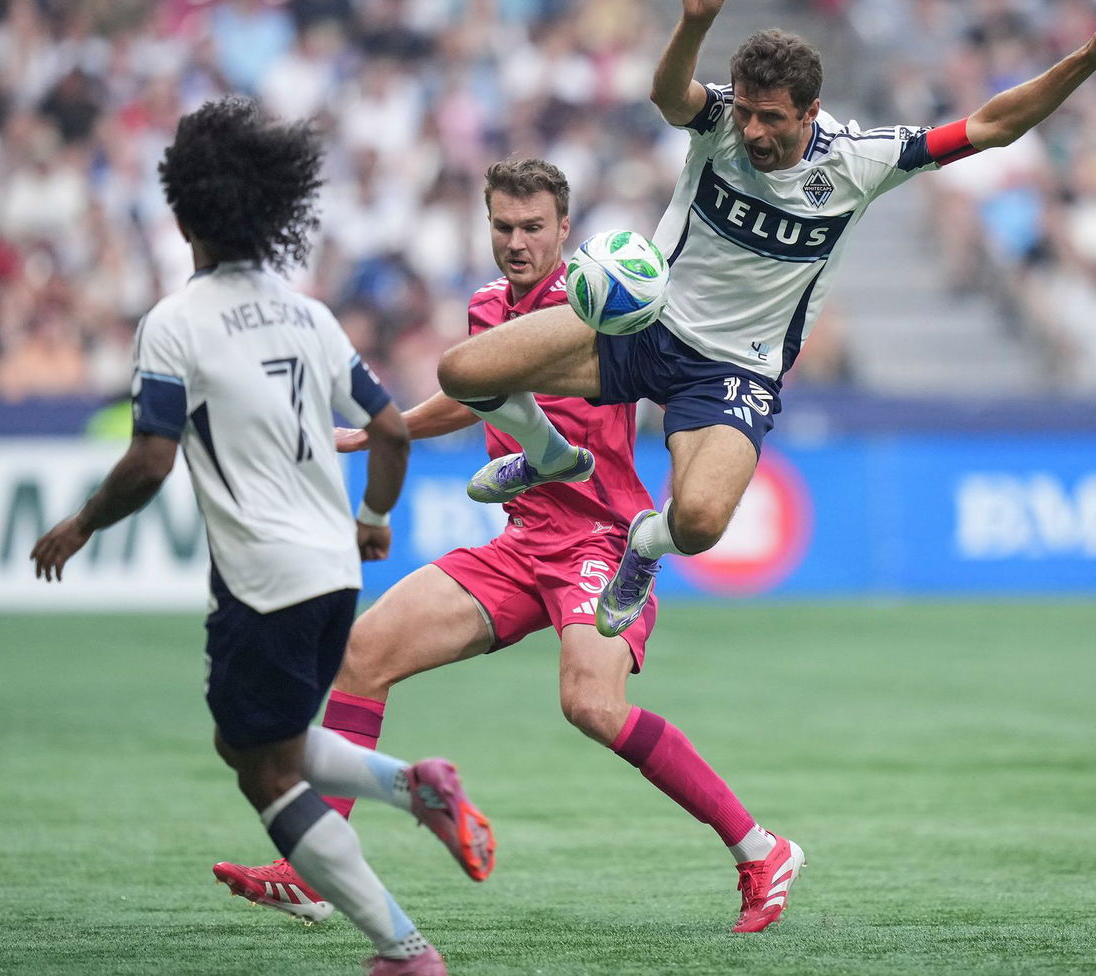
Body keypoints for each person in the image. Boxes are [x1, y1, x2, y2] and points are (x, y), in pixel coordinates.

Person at [432, 0, 1096, 638]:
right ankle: (551, 454)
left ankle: (645, 546)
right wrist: (695, 20)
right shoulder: (717, 123)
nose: (750, 129)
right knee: (465, 371)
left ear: (810, 112)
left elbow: (994, 126)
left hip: (732, 371)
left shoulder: (861, 162)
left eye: (769, 117)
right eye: (745, 110)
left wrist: (1087, 59)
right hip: (646, 326)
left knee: (701, 522)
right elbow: (665, 93)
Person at [212, 157, 804, 934]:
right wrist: (379, 430)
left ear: (566, 229)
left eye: (533, 227)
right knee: (364, 653)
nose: (517, 242)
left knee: (591, 704)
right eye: (503, 226)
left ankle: (762, 850)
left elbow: (682, 364)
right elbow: (469, 394)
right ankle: (315, 870)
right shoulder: (489, 305)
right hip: (524, 540)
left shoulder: (605, 302)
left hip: (599, 537)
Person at [29, 97, 489, 976]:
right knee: (253, 741)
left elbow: (152, 458)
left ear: (185, 212)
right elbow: (392, 427)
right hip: (333, 575)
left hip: (262, 581)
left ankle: (405, 951)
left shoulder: (177, 323)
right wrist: (376, 518)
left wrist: (81, 523)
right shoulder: (306, 315)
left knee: (265, 772)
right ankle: (415, 785)